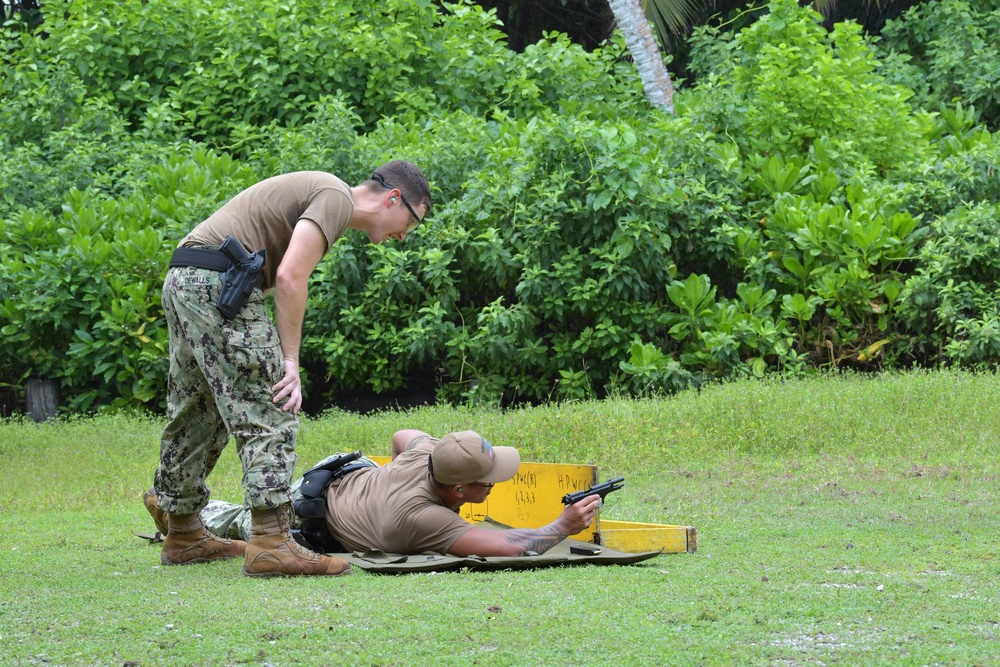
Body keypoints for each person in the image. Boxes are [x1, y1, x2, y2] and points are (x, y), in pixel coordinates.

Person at [151, 162, 431, 578]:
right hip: (215, 283)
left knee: (200, 409)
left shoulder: (323, 195)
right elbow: (289, 278)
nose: (404, 236)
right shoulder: (335, 197)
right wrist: (289, 361)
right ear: (393, 198)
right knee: (272, 400)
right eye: (412, 220)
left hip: (186, 279)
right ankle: (271, 541)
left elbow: (267, 274)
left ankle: (184, 531)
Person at [144, 430, 601, 558]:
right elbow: (507, 545)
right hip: (311, 517)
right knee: (246, 520)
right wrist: (563, 526)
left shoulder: (426, 452)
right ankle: (180, 517)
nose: (495, 482)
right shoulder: (426, 519)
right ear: (459, 488)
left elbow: (405, 435)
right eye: (489, 479)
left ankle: (186, 518)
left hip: (335, 476)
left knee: (257, 511)